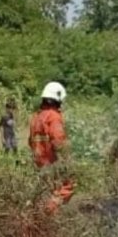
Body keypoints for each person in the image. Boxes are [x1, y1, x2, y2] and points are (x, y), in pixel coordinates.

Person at [28, 81, 73, 214]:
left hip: (39, 163)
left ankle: (41, 214)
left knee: (46, 191)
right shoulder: (53, 117)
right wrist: (66, 160)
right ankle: (47, 214)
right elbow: (58, 140)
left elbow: (30, 142)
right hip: (52, 162)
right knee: (67, 186)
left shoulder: (36, 117)